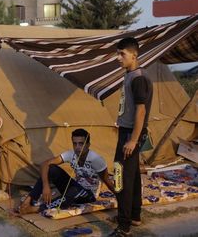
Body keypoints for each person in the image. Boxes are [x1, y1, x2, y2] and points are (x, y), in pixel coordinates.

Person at [110, 37, 152, 237]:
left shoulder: (138, 78)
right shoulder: (130, 75)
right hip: (126, 130)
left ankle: (123, 226)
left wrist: (133, 139)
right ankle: (134, 216)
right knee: (132, 175)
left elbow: (141, 111)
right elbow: (130, 107)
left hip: (131, 135)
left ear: (134, 55)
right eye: (117, 53)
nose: (118, 58)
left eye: (122, 54)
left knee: (121, 177)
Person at [17, 129, 115, 215]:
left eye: (81, 143)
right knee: (51, 169)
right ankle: (29, 200)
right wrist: (46, 186)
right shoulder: (71, 154)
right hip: (75, 186)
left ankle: (36, 208)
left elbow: (107, 180)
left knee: (74, 191)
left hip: (88, 195)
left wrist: (120, 196)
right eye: (75, 143)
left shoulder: (96, 159)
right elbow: (45, 164)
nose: (77, 147)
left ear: (88, 145)